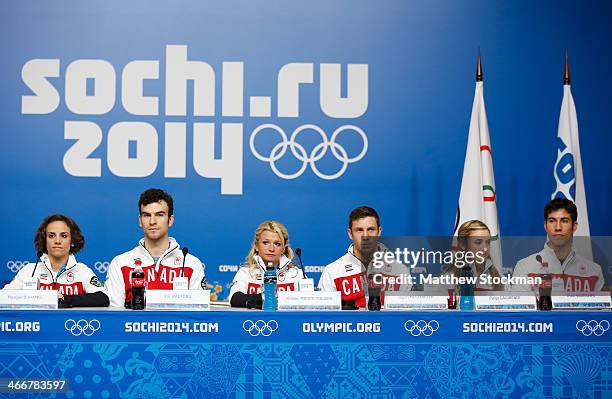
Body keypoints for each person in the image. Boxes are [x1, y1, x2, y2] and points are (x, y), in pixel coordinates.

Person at [105, 188, 206, 308]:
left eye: (159, 215)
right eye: (146, 215)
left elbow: (198, 314)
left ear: (170, 220)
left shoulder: (191, 264)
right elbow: (113, 315)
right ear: (140, 221)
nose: (152, 221)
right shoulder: (120, 263)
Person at [3, 214, 109, 308]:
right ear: (44, 240)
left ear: (72, 241)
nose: (57, 241)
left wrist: (64, 298)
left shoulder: (81, 270)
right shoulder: (29, 270)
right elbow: (4, 296)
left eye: (64, 236)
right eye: (51, 235)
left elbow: (103, 298)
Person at [318, 206, 411, 308]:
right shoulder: (332, 272)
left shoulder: (400, 271)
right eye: (359, 230)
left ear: (379, 232)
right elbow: (324, 317)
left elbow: (406, 316)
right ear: (350, 234)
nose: (365, 236)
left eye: (371, 230)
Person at [512, 198, 604, 292]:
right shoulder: (525, 266)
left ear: (574, 226)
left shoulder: (594, 271)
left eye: (564, 221)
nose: (558, 227)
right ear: (545, 226)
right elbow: (520, 306)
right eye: (552, 221)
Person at [229, 221, 304, 309]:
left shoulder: (296, 274)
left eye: (277, 244)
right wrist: (270, 299)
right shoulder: (246, 272)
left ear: (284, 249)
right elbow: (235, 299)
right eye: (265, 243)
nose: (271, 249)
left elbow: (309, 302)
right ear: (256, 246)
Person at [442, 220, 504, 291]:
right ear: (463, 244)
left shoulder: (502, 281)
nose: (485, 248)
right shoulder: (447, 280)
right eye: (478, 242)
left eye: (488, 242)